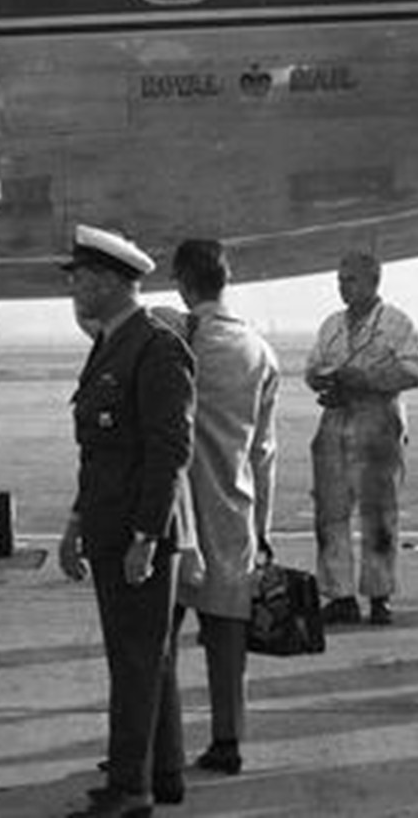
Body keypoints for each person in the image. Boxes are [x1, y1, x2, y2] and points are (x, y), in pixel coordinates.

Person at [54, 225, 194, 818]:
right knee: (147, 656)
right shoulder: (114, 341)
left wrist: (145, 537)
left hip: (141, 532)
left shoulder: (156, 348)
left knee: (134, 660)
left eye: (83, 280)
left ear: (113, 282)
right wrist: (75, 522)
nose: (75, 291)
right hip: (111, 524)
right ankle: (163, 774)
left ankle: (128, 790)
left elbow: (169, 451)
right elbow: (100, 450)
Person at [157, 239, 279, 776]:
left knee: (154, 640)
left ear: (184, 283)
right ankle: (228, 741)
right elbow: (265, 452)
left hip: (172, 510)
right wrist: (263, 527)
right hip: (234, 508)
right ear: (227, 280)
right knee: (228, 637)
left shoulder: (175, 337)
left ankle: (153, 746)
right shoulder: (259, 350)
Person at [305, 250, 418, 627]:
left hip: (378, 424)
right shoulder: (331, 326)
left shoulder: (396, 324)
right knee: (330, 514)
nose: (343, 287)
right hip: (335, 421)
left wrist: (369, 380)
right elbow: (312, 367)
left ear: (374, 282)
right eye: (340, 280)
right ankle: (340, 594)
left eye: (351, 280)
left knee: (379, 514)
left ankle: (379, 595)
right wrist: (323, 381)